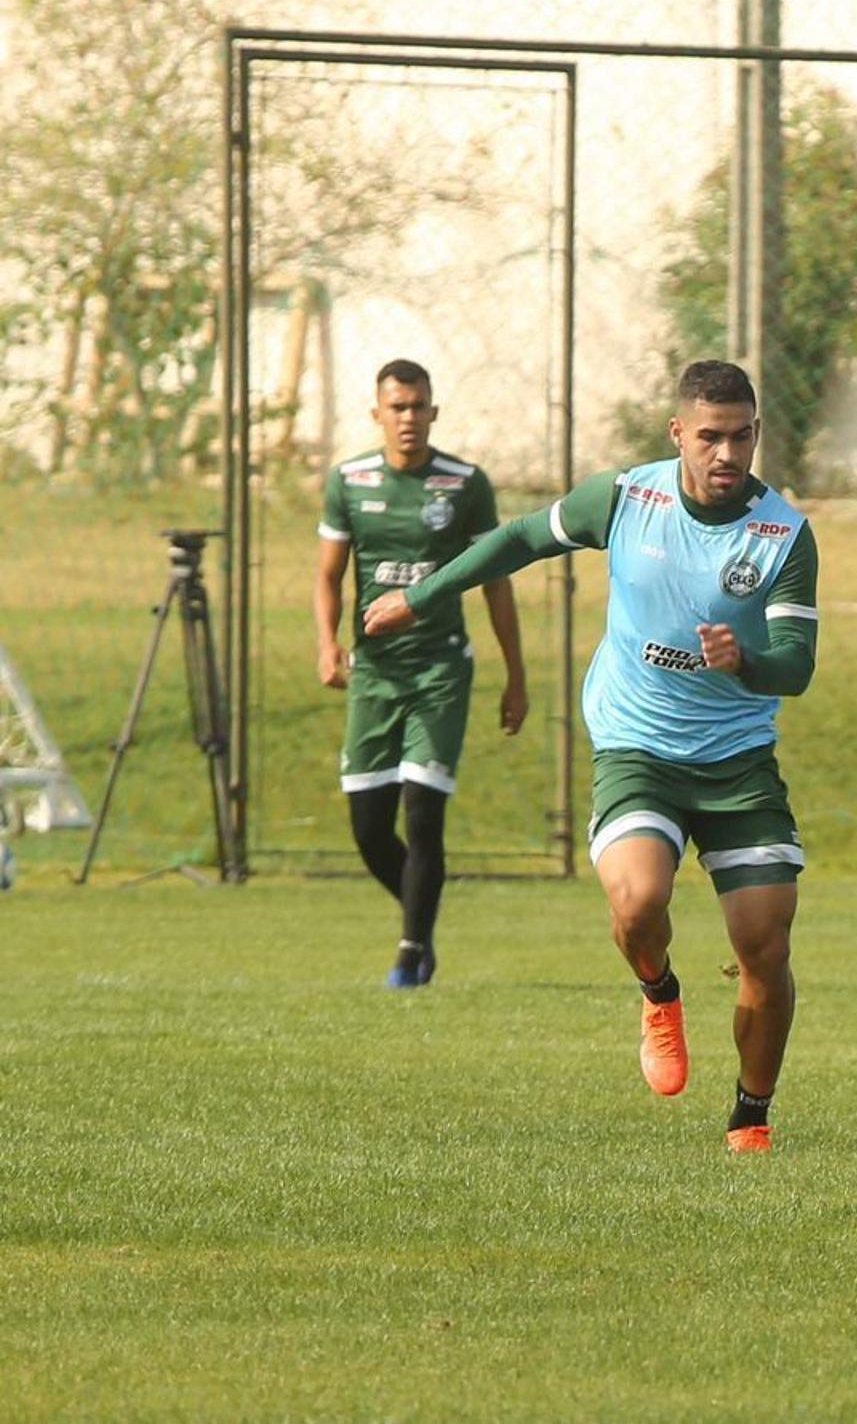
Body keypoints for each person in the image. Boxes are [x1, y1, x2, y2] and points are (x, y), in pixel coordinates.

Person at [362, 361, 818, 1155]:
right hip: (638, 746)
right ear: (678, 433)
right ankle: (659, 992)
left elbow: (797, 664)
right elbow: (515, 540)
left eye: (741, 436)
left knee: (765, 942)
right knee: (639, 904)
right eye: (709, 436)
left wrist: (745, 659)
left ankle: (750, 1117)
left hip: (738, 762)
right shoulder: (626, 498)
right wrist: (421, 595)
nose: (726, 453)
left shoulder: (782, 532)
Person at [315, 359, 528, 989]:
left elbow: (496, 583)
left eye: (418, 407)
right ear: (376, 413)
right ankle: (421, 909)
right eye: (397, 407)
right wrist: (327, 644)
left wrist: (516, 677)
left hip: (440, 669)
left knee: (422, 810)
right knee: (369, 828)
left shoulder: (464, 484)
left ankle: (410, 951)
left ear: (434, 412)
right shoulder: (348, 481)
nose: (408, 418)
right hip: (374, 672)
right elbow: (328, 575)